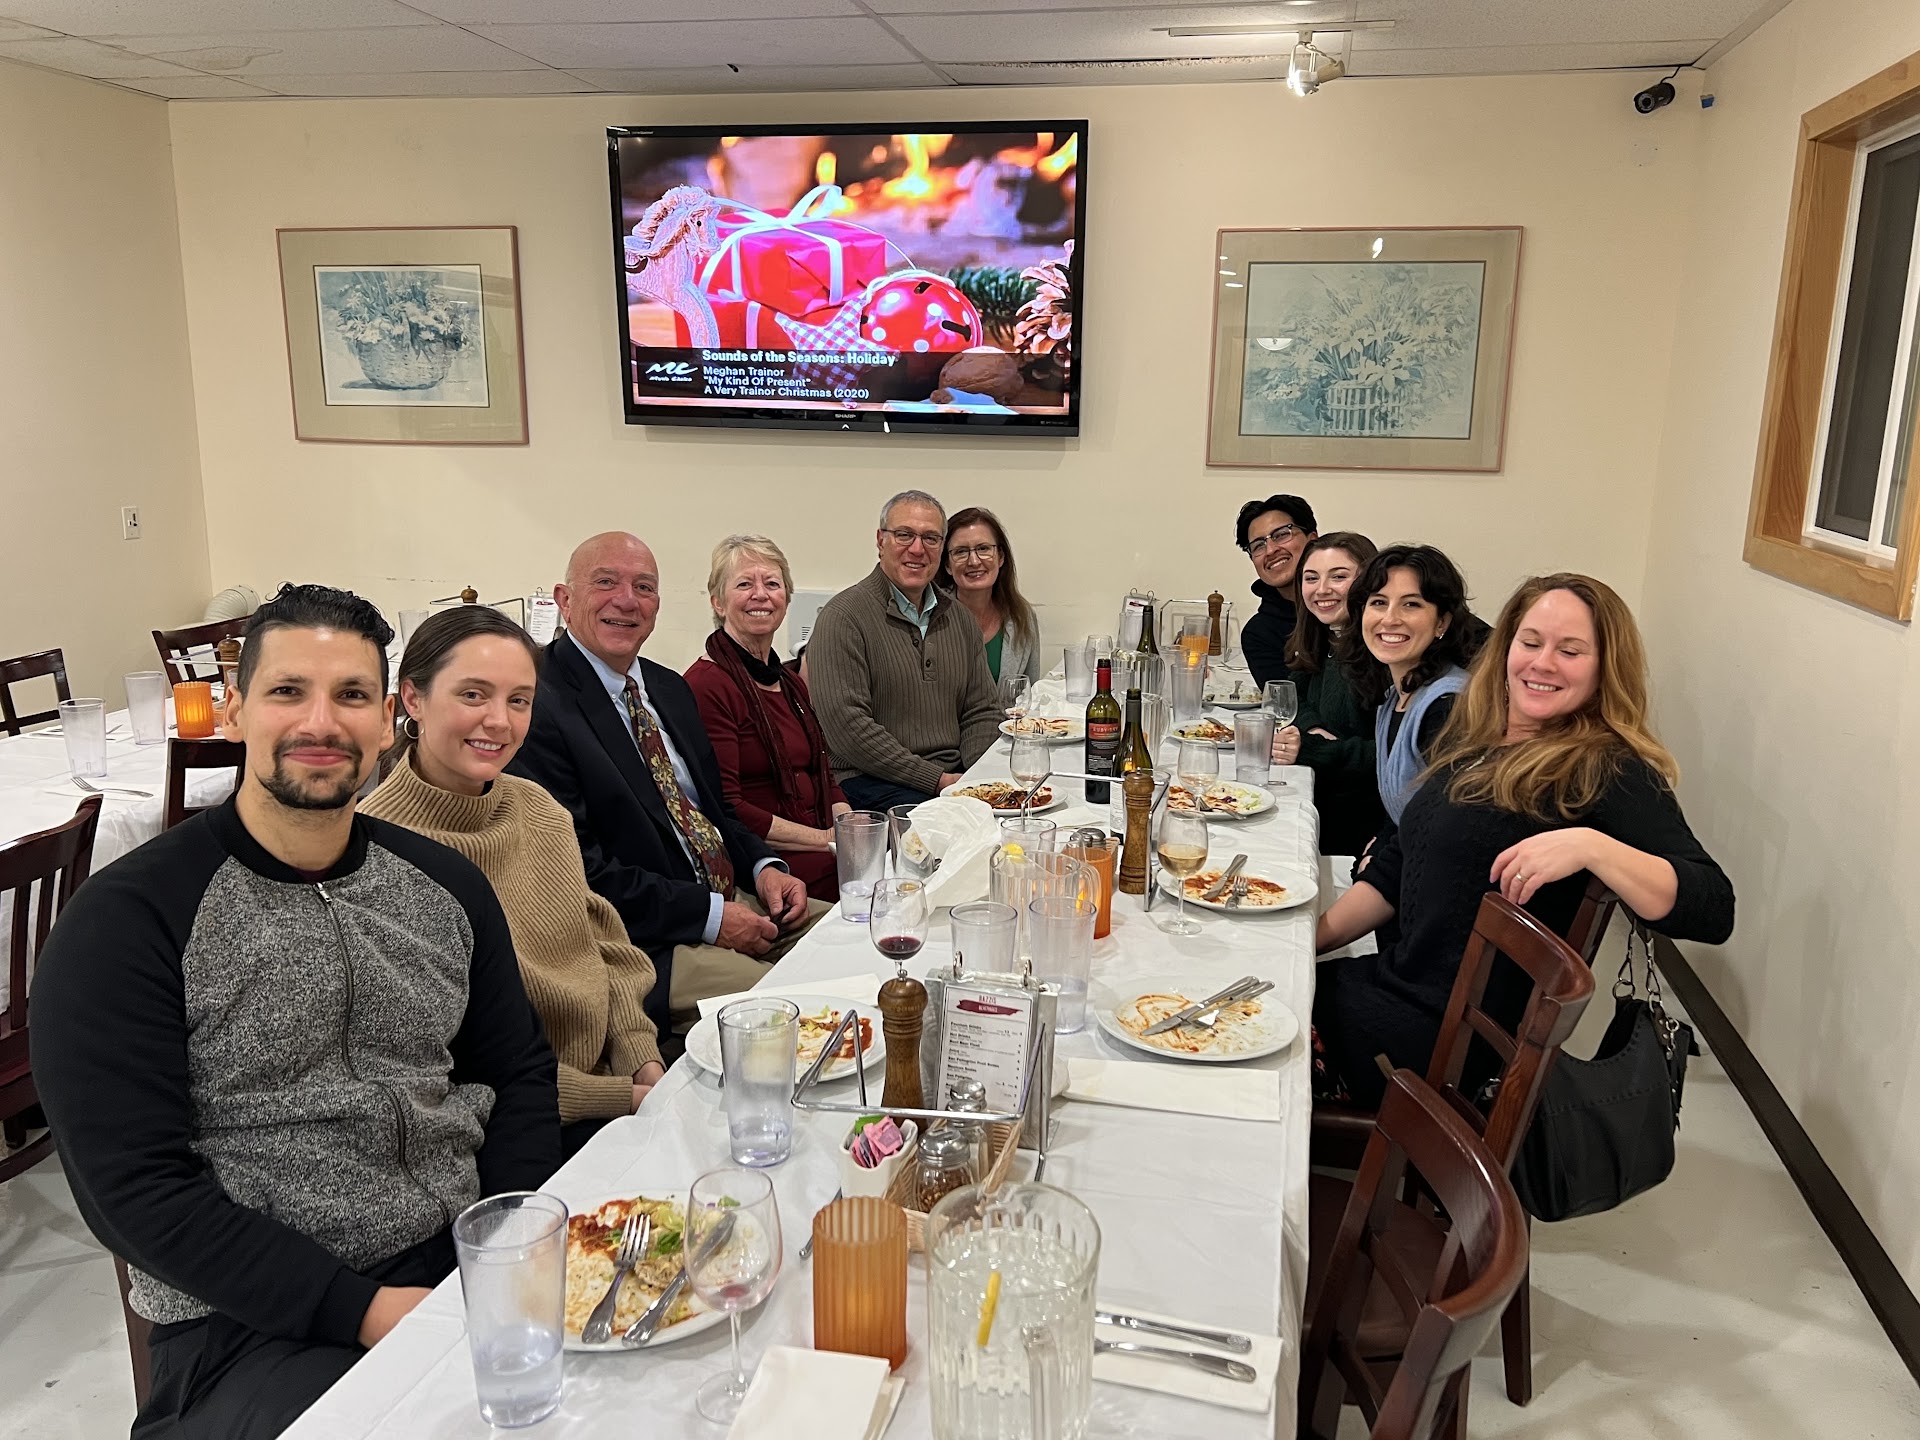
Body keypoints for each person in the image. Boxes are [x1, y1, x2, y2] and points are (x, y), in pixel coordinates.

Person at [33, 584, 561, 1439]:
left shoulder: (444, 887)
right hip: (246, 1324)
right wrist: (363, 1311)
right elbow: (131, 1186)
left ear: (387, 720)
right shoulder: (129, 918)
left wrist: (505, 1239)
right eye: (288, 691)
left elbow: (518, 1072)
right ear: (234, 710)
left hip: (462, 1259)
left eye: (350, 695)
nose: (321, 722)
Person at [1312, 573, 1735, 1107]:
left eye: (1570, 651)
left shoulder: (1605, 768)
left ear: (1605, 667)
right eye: (1530, 642)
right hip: (1396, 986)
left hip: (1444, 1043)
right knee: (1263, 980)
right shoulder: (1480, 739)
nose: (1543, 663)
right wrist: (1312, 939)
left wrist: (1592, 847)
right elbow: (1400, 863)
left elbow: (1712, 907)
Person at [361, 605, 666, 1158]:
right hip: (523, 1122)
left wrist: (642, 1058)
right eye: (473, 695)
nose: (500, 721)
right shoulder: (380, 850)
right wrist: (619, 1097)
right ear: (412, 699)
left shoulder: (537, 807)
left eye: (519, 700)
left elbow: (604, 943)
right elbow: (454, 1065)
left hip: (619, 1079)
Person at [507, 532, 823, 1033]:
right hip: (644, 940)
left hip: (730, 896)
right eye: (605, 582)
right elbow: (579, 871)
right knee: (791, 1008)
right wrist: (712, 918)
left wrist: (764, 868)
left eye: (644, 587)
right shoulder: (536, 704)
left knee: (856, 935)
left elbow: (716, 811)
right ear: (564, 600)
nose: (626, 600)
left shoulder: (668, 688)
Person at [808, 490, 1004, 811]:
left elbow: (981, 711)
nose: (917, 549)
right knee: (952, 831)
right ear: (880, 540)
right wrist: (938, 780)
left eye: (930, 538)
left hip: (951, 778)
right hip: (870, 781)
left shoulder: (960, 619)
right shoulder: (842, 618)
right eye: (904, 535)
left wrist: (978, 779)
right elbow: (849, 729)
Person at [685, 535, 850, 902]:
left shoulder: (790, 682)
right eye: (744, 584)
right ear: (718, 602)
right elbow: (727, 806)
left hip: (821, 842)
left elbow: (823, 774)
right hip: (766, 860)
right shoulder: (706, 685)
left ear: (786, 600)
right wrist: (827, 840)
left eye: (772, 584)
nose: (760, 594)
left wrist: (850, 829)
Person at [1337, 544, 1486, 833]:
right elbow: (1402, 813)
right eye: (1379, 602)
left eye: (1411, 604)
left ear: (1442, 622)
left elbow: (1453, 826)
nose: (1390, 619)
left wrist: (1385, 856)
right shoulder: (1395, 696)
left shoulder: (1448, 706)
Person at [1269, 532, 1384, 857]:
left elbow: (1392, 756)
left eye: (1338, 577)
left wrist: (1316, 749)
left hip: (1362, 826)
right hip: (1324, 801)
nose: (1322, 589)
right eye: (1311, 578)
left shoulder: (1384, 653)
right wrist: (1315, 729)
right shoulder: (1324, 638)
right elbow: (1292, 695)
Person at [937, 505, 1039, 704]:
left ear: (1000, 557)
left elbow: (1029, 697)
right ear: (947, 565)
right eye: (961, 552)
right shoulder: (930, 617)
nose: (974, 561)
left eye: (983, 549)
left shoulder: (1022, 617)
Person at [1234, 493, 1318, 687]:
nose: (1271, 550)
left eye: (1281, 535)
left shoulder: (1347, 605)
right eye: (1258, 545)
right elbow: (1287, 701)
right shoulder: (1260, 633)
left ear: (1312, 540)